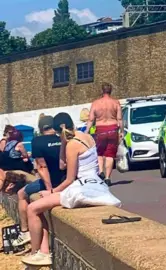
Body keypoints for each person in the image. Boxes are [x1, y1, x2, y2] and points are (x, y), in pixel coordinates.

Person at [21, 113, 102, 266]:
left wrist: (52, 192)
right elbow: (62, 166)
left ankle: (38, 253)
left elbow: (69, 179)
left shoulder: (72, 145)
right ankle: (42, 252)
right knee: (41, 206)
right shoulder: (86, 137)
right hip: (95, 183)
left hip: (80, 187)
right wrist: (63, 144)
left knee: (32, 208)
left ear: (58, 131)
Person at [12, 115, 66, 248]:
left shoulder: (37, 141)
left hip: (51, 183)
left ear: (41, 128)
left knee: (21, 194)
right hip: (65, 182)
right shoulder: (62, 138)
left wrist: (49, 189)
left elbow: (42, 167)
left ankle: (25, 232)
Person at [86, 83, 123, 186]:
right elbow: (119, 119)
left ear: (102, 91)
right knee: (110, 154)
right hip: (112, 129)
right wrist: (122, 132)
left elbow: (91, 119)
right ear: (111, 91)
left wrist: (87, 131)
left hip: (100, 130)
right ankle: (107, 178)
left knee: (100, 152)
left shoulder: (96, 103)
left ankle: (101, 171)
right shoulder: (115, 103)